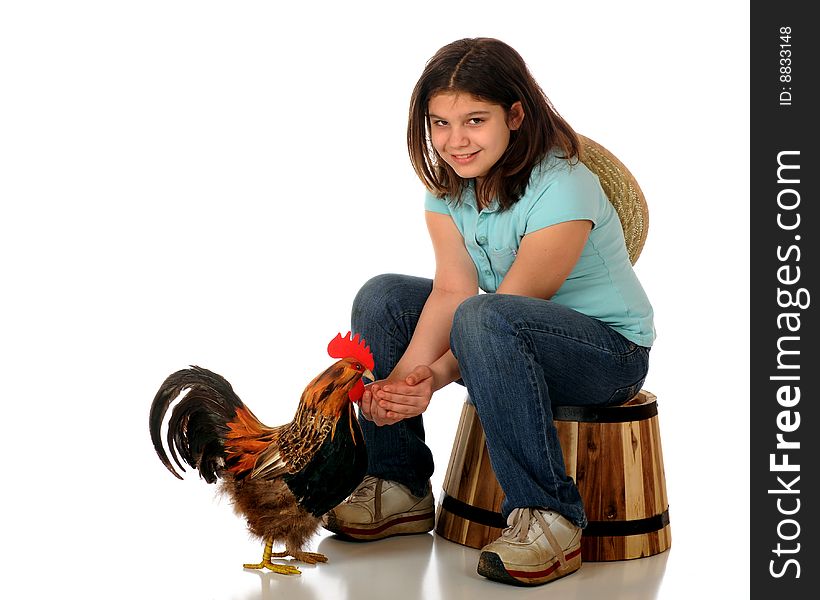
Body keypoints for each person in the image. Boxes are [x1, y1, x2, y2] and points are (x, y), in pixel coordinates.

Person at [323, 37, 655, 587]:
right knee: (383, 295)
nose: (455, 141)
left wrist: (433, 376)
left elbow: (513, 305)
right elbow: (453, 292)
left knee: (491, 316)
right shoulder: (449, 188)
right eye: (440, 123)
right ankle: (398, 483)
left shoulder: (564, 185)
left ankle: (549, 515)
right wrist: (401, 384)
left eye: (474, 120)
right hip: (504, 328)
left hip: (607, 353)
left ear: (516, 114)